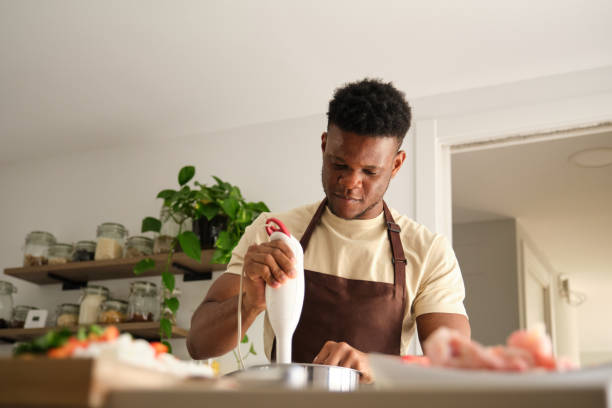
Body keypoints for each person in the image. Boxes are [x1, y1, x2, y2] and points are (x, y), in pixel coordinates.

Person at [187, 78, 470, 382]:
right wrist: (250, 302)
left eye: (370, 172)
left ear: (397, 164)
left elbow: (456, 365)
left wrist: (375, 366)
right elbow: (198, 344)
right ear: (324, 145)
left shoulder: (428, 251)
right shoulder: (272, 233)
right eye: (339, 165)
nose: (350, 182)